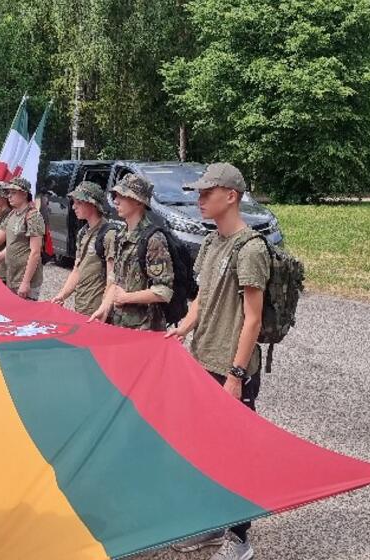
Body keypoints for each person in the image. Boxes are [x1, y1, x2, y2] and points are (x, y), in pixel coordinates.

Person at [166, 163, 269, 560]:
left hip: (231, 368)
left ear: (231, 195)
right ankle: (211, 525)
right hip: (203, 360)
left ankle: (239, 539)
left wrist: (236, 375)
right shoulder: (211, 242)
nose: (199, 199)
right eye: (199, 193)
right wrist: (182, 329)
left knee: (235, 454)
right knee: (205, 449)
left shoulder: (251, 248)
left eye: (207, 192)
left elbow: (253, 318)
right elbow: (201, 298)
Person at [89, 174, 173, 331]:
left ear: (138, 201)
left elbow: (163, 291)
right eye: (115, 196)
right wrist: (104, 308)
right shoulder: (121, 235)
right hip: (120, 324)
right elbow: (115, 279)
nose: (115, 201)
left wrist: (126, 298)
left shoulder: (154, 239)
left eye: (122, 196)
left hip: (144, 329)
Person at [51, 181, 116, 316]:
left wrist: (104, 310)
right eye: (74, 202)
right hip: (82, 306)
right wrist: (62, 295)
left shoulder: (109, 235)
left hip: (98, 311)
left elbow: (113, 279)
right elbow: (77, 270)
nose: (73, 207)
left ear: (93, 204)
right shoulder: (83, 232)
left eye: (79, 202)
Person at [0, 177, 45, 299]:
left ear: (24, 194)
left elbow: (35, 252)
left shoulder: (33, 216)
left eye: (13, 193)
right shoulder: (13, 214)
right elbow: (13, 244)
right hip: (12, 277)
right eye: (8, 193)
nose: (9, 196)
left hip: (24, 280)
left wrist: (26, 282)